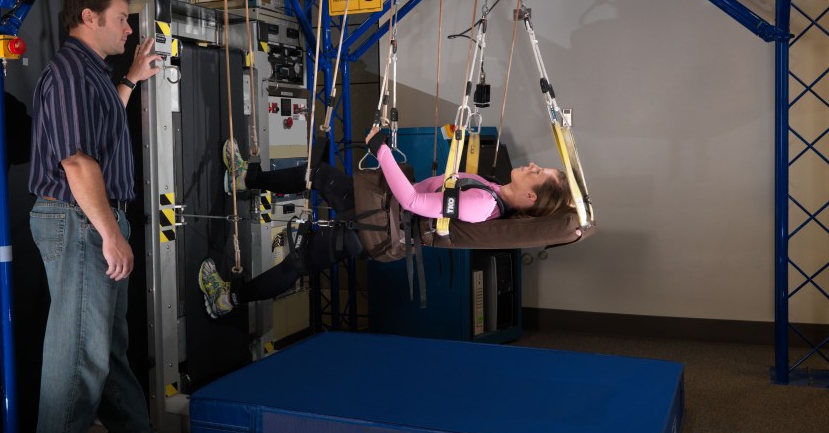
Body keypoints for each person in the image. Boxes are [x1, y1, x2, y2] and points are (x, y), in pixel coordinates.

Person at [28, 0, 184, 433]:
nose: (129, 28)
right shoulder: (71, 72)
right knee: (78, 348)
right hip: (78, 220)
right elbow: (77, 161)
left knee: (106, 341)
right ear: (89, 17)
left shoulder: (93, 74)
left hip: (87, 218)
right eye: (121, 18)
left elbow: (97, 131)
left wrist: (132, 81)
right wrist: (111, 234)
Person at [198, 126, 575, 318]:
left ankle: (227, 299)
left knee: (299, 263)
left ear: (530, 197)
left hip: (374, 229)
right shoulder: (492, 188)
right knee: (322, 174)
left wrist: (381, 149)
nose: (531, 165)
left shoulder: (480, 205)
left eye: (538, 173)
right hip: (380, 211)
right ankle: (245, 180)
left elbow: (411, 199)